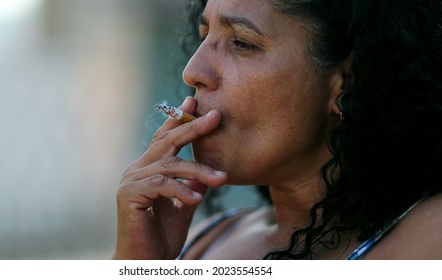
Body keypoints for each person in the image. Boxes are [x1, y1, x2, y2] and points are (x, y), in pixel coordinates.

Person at [113, 0, 442, 260]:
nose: (192, 72)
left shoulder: (428, 239)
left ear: (349, 83)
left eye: (241, 42)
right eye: (204, 37)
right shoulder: (206, 241)